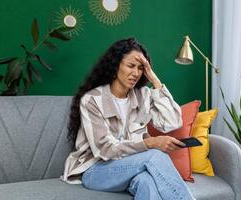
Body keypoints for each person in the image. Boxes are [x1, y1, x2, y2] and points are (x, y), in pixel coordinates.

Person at [61, 38, 196, 200]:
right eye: (131, 66)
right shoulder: (93, 100)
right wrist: (150, 143)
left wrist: (155, 80)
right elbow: (105, 149)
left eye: (141, 68)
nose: (136, 73)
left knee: (146, 182)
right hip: (96, 170)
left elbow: (173, 122)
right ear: (115, 66)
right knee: (155, 155)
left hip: (132, 166)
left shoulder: (143, 95)